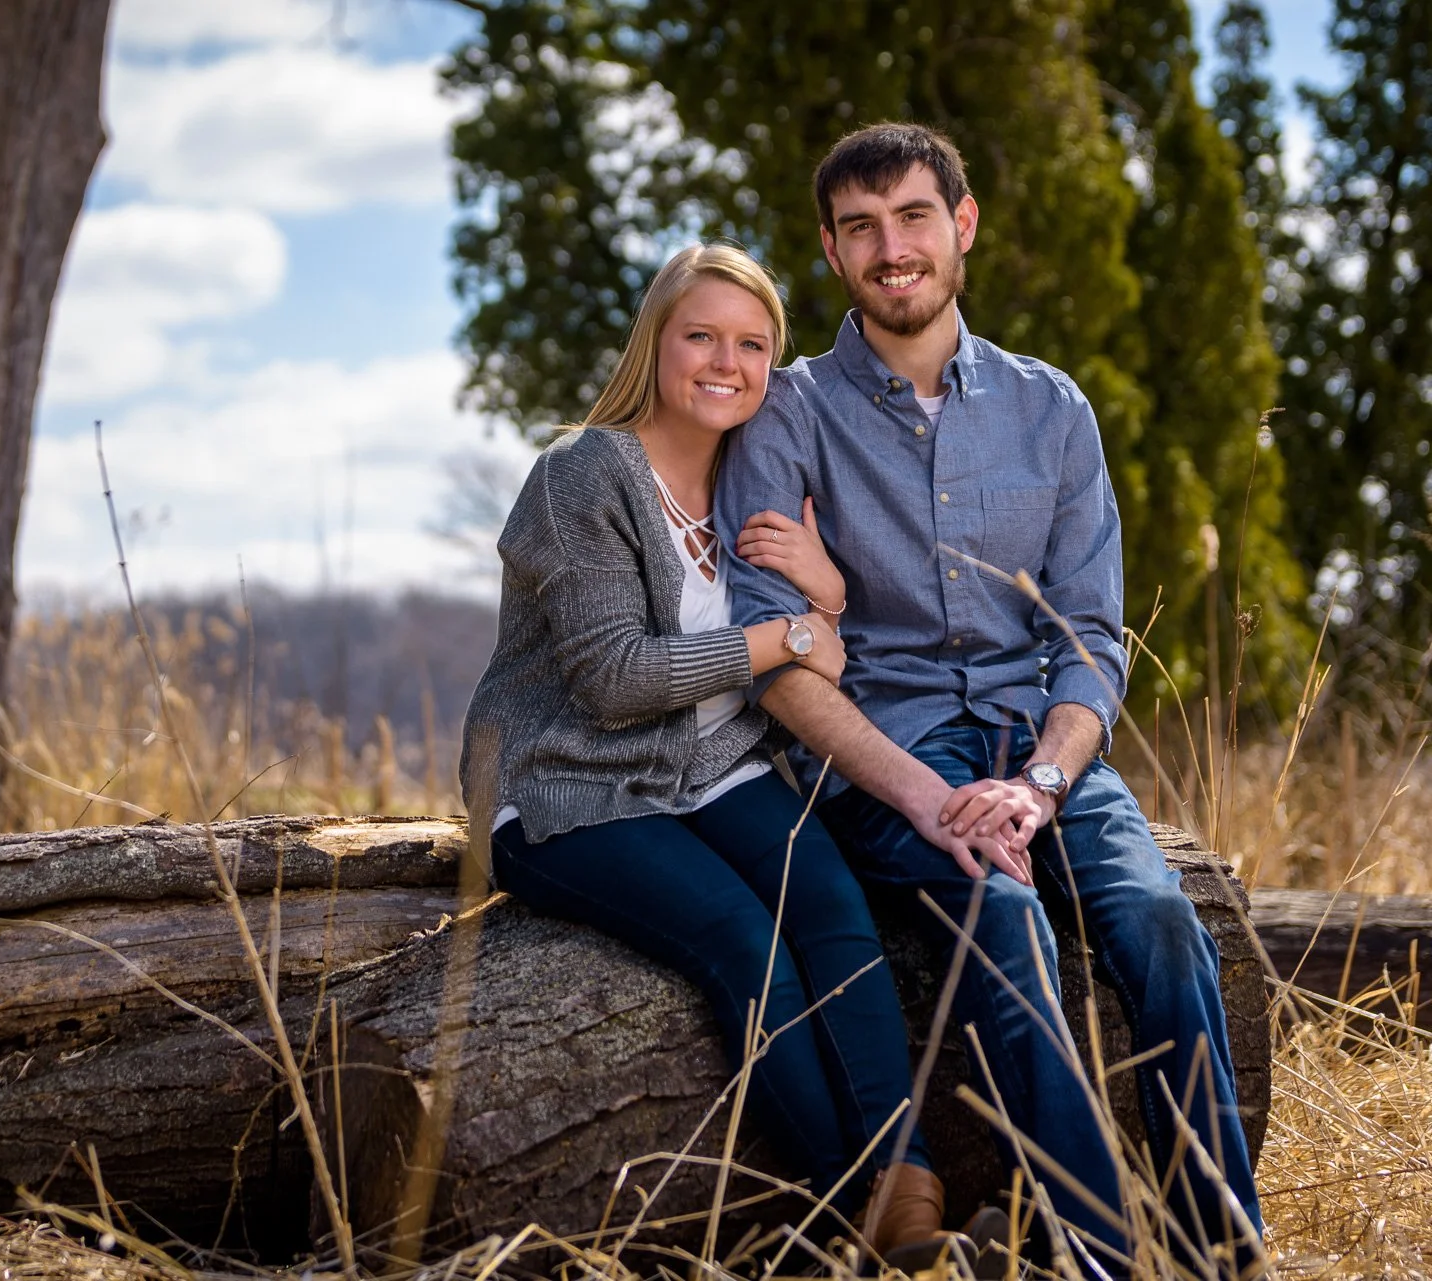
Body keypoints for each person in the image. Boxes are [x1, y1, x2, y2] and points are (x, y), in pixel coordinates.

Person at [716, 122, 1265, 1273]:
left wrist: (1043, 784)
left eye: (914, 217)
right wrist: (926, 798)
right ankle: (1103, 1255)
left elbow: (1090, 641)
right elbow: (772, 664)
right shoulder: (789, 415)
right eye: (861, 228)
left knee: (1163, 924)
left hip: (1042, 752)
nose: (892, 248)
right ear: (830, 252)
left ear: (961, 227)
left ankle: (1224, 1252)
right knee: (1003, 916)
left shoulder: (1050, 409)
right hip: (890, 753)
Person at [460, 243, 966, 1268]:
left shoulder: (758, 480)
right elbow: (612, 676)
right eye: (702, 336)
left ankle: (907, 1190)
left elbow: (837, 650)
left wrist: (826, 592)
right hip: (570, 787)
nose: (726, 362)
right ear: (658, 343)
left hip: (715, 771)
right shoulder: (584, 473)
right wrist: (785, 635)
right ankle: (855, 1222)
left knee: (832, 908)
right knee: (743, 940)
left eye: (753, 343)